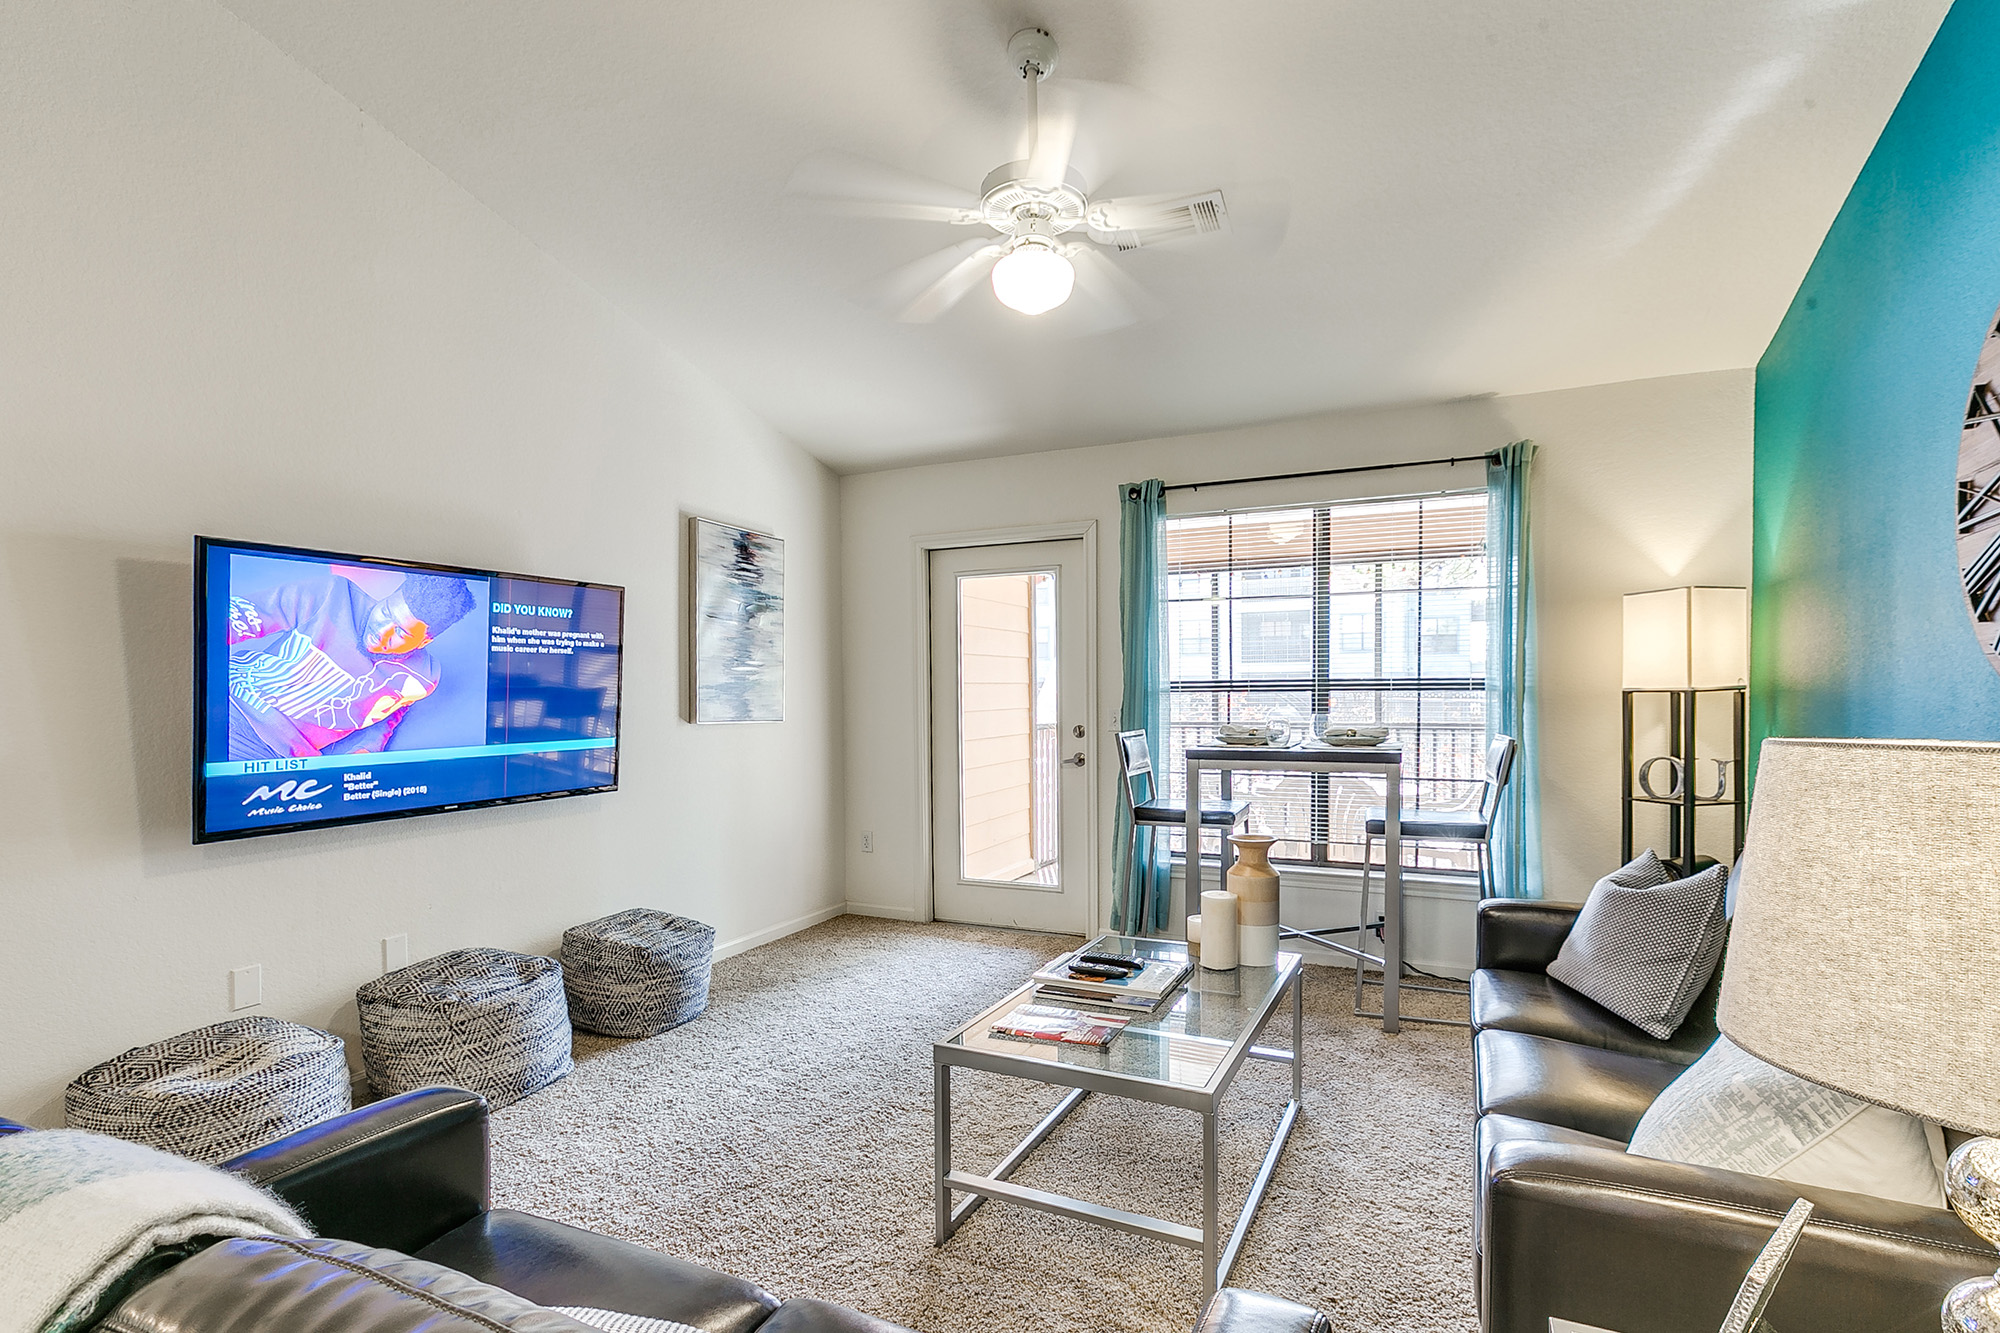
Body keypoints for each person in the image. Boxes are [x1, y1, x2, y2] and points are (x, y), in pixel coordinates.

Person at [225, 570, 476, 760]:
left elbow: (388, 714)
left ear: (424, 642)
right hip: (230, 704)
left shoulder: (423, 677)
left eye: (400, 632)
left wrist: (365, 749)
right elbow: (246, 614)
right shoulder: (334, 594)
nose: (382, 630)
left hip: (284, 757)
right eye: (386, 611)